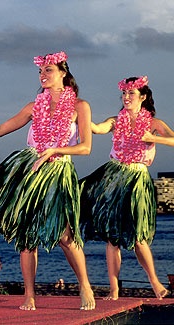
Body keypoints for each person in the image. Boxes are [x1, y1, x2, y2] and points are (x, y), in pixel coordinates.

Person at [0, 51, 95, 311]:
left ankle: (85, 285)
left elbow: (86, 147)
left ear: (63, 73)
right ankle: (29, 295)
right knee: (26, 239)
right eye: (40, 71)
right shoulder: (34, 106)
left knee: (66, 236)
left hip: (58, 172)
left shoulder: (80, 106)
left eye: (48, 70)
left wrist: (57, 150)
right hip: (29, 170)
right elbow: (0, 130)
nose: (42, 75)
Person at [80, 76, 174, 301]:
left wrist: (153, 138)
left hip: (138, 180)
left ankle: (155, 282)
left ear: (142, 97)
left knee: (139, 236)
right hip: (114, 178)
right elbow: (98, 128)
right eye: (124, 94)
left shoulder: (154, 123)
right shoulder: (115, 120)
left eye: (131, 93)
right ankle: (114, 289)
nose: (126, 97)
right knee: (113, 238)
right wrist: (82, 118)